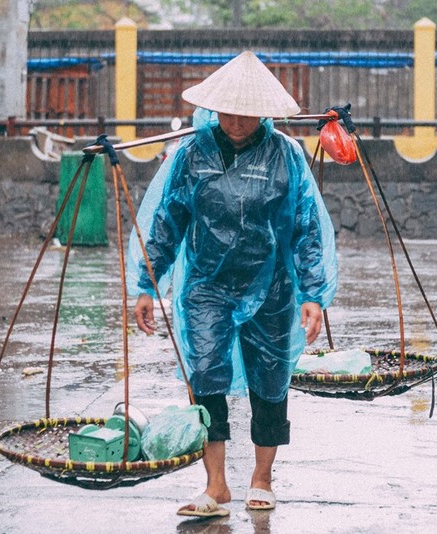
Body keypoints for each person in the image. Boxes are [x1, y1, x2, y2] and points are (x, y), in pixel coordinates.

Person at [127, 51, 338, 518]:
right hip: (206, 286)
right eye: (228, 110)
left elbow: (304, 227)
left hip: (273, 288)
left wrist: (312, 294)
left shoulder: (285, 155)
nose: (237, 120)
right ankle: (216, 486)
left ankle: (261, 478)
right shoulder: (192, 154)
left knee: (270, 378)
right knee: (206, 376)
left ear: (263, 111)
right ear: (214, 108)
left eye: (246, 111)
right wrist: (148, 283)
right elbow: (168, 221)